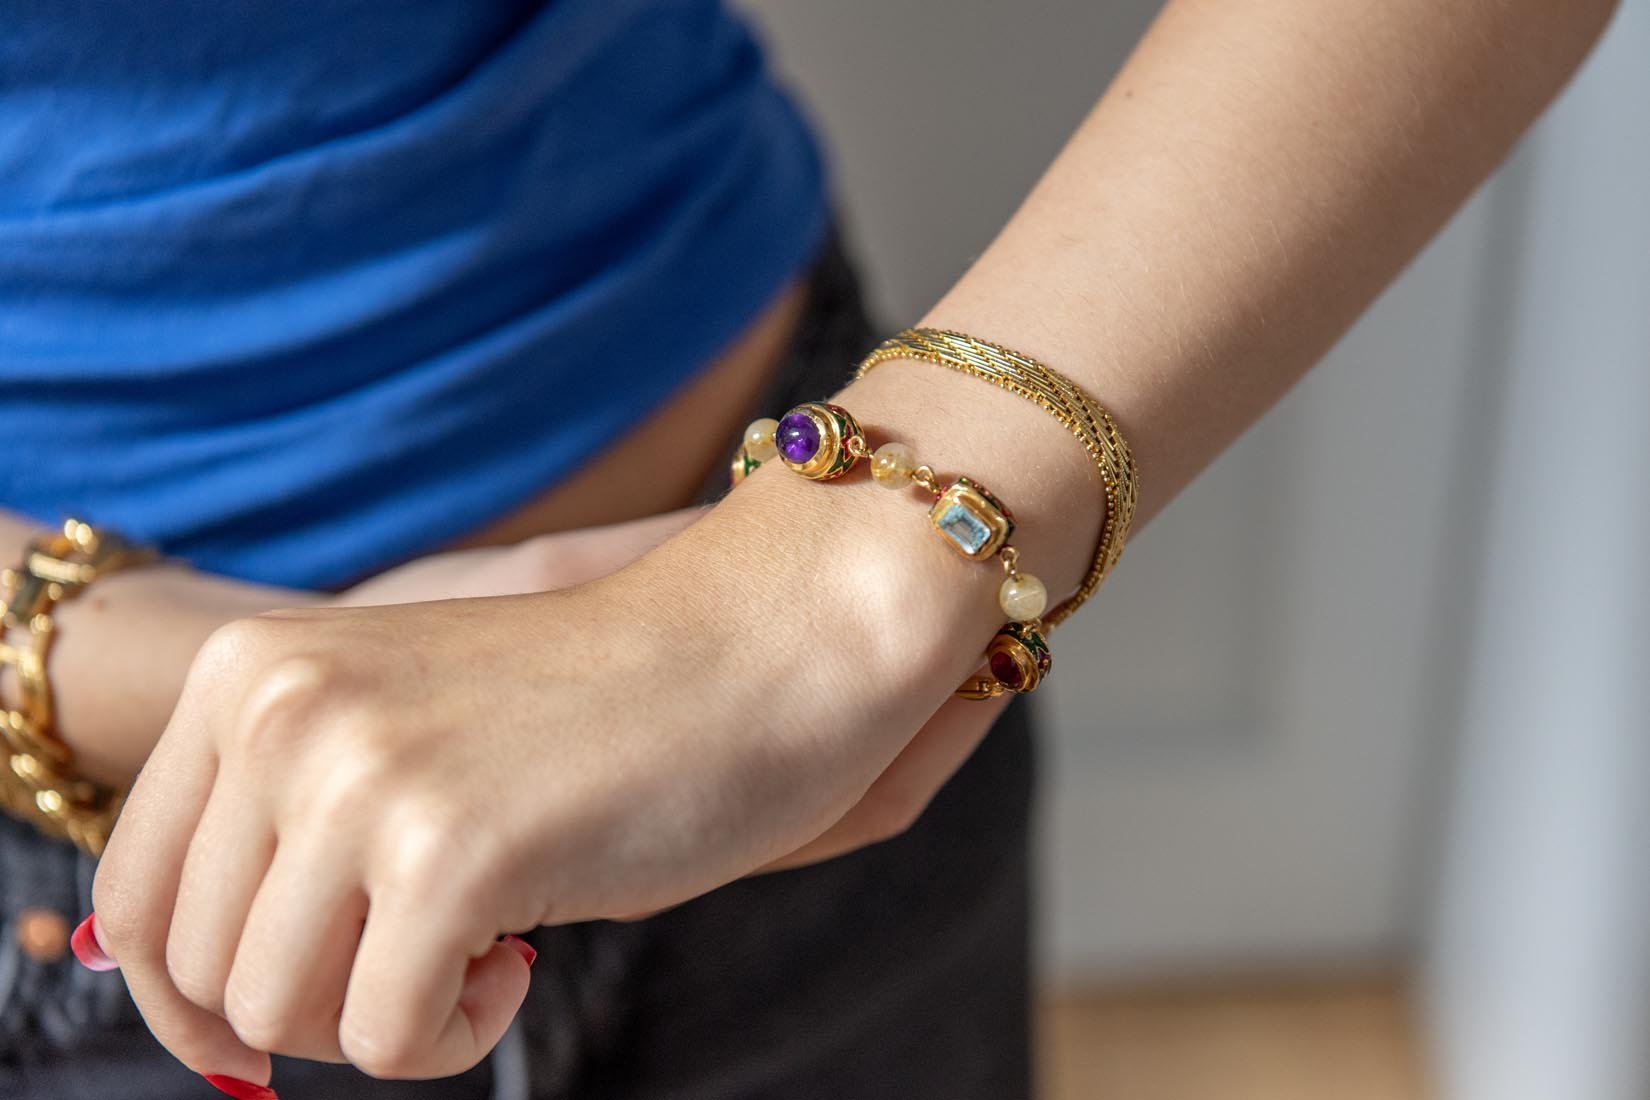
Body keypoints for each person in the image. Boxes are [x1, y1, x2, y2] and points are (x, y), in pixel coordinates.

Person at [0, 1, 1620, 1097]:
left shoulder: (865, 609)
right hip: (141, 879)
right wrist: (131, 669)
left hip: (801, 657)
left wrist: (856, 572)